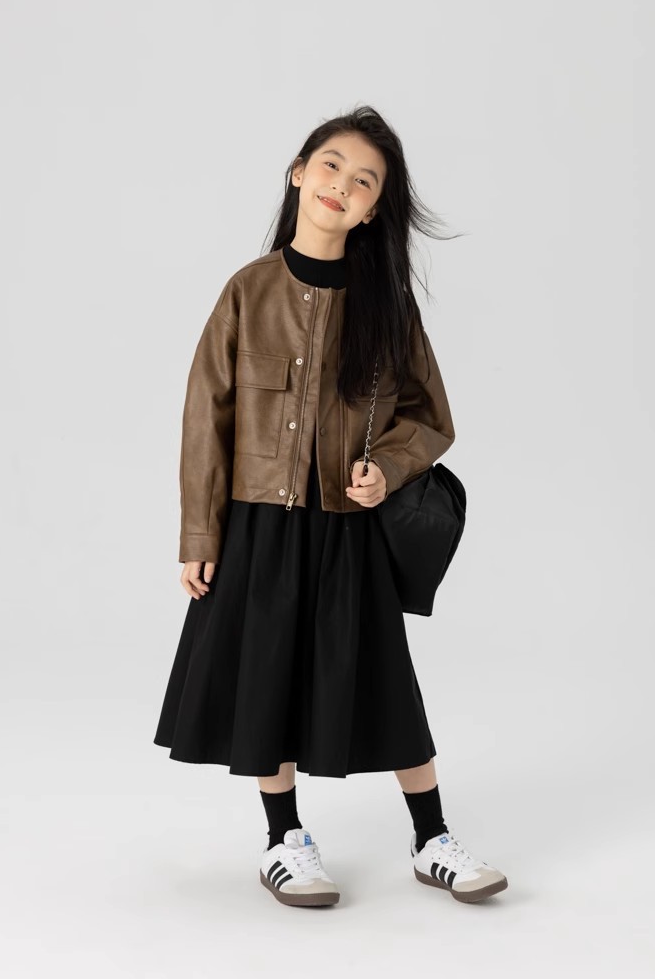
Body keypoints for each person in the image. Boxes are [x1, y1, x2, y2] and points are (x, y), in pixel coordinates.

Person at [153, 104, 508, 907]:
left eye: (364, 181)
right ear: (298, 174)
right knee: (267, 680)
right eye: (331, 166)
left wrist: (386, 468)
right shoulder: (247, 291)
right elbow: (206, 417)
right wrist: (200, 533)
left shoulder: (388, 306)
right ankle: (284, 840)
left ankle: (432, 840)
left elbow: (431, 418)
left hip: (348, 529)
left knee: (386, 680)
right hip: (258, 525)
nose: (342, 185)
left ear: (374, 210)